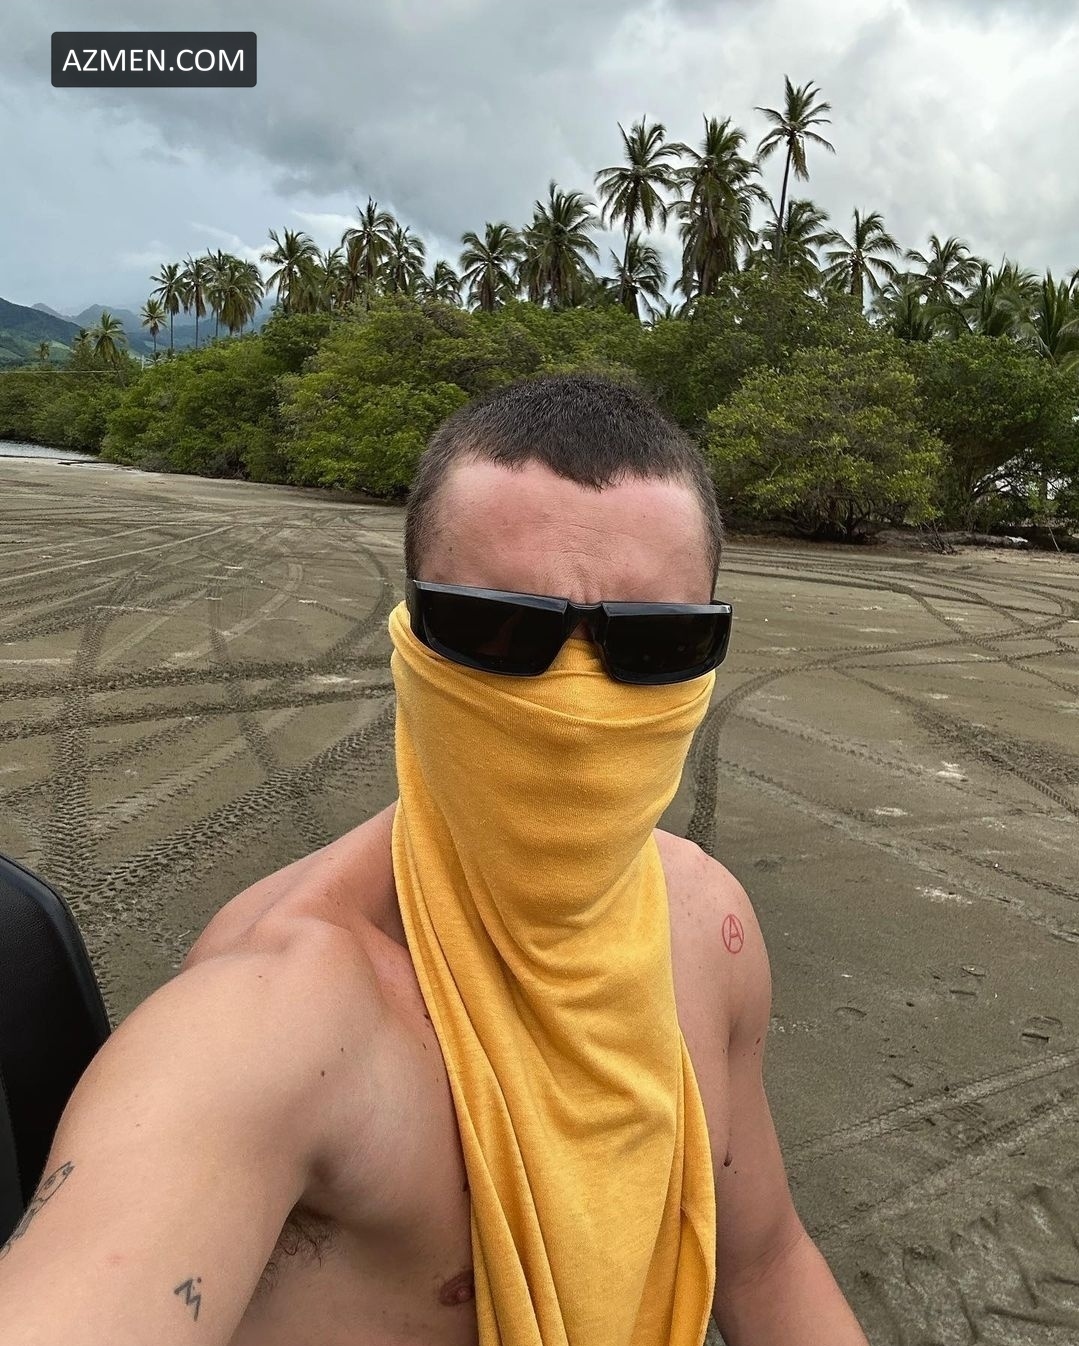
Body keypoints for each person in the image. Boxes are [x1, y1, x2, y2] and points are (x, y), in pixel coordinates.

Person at [0, 374, 868, 1346]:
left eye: (657, 641)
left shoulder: (710, 923)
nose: (574, 703)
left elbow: (763, 1261)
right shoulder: (273, 1019)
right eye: (496, 627)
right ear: (413, 636)